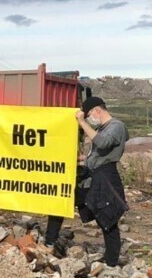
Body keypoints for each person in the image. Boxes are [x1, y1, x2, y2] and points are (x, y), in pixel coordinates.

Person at [44, 96, 130, 267]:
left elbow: (104, 143)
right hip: (93, 175)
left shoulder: (116, 126)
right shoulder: (104, 127)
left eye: (89, 114)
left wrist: (83, 123)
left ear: (98, 110)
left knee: (107, 217)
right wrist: (82, 159)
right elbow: (98, 155)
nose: (90, 118)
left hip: (105, 177)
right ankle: (49, 242)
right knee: (63, 198)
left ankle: (111, 261)